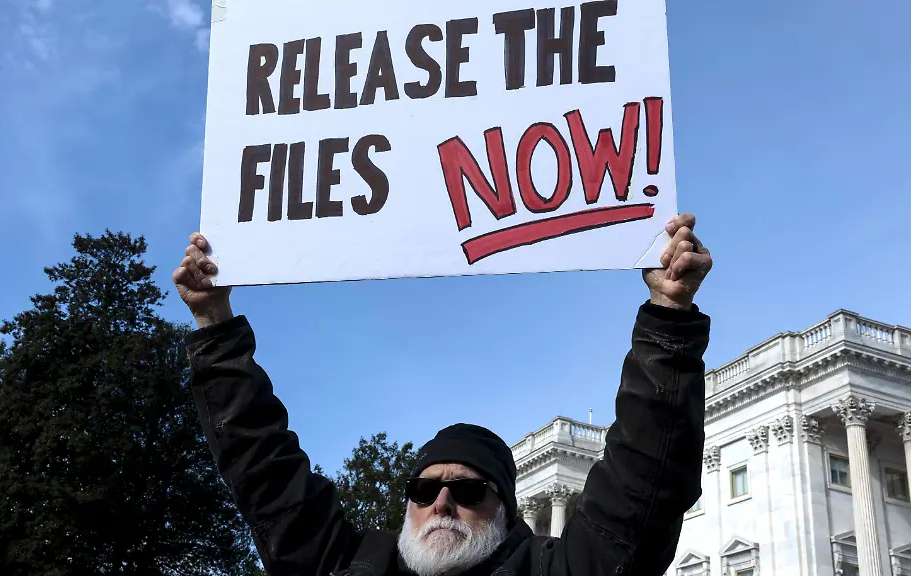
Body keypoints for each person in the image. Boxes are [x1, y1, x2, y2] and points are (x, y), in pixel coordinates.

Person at [173, 213, 713, 576]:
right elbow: (263, 472)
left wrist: (669, 318)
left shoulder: (557, 568)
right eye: (423, 488)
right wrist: (213, 323)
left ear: (505, 508)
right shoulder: (350, 564)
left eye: (469, 490)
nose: (441, 503)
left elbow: (645, 486)